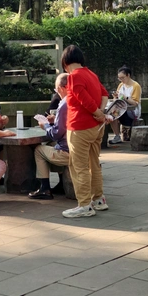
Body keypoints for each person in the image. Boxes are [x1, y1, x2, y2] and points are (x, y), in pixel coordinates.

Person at [61, 45, 109, 218]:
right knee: (94, 164)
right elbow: (105, 94)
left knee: (78, 166)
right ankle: (98, 199)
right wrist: (101, 112)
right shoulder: (92, 74)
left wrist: (98, 113)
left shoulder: (73, 76)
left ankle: (84, 205)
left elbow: (84, 100)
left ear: (65, 63)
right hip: (96, 127)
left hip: (79, 127)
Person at [29, 73, 70, 200]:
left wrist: (46, 125)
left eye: (56, 90)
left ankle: (44, 188)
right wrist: (55, 120)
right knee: (50, 145)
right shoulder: (76, 100)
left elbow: (56, 134)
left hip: (67, 152)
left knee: (39, 150)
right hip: (79, 148)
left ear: (61, 88)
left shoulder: (64, 104)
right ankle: (61, 183)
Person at [108, 66, 142, 145]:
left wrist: (125, 97)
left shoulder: (136, 86)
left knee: (113, 114)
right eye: (119, 78)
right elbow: (116, 98)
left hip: (132, 110)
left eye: (122, 78)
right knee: (111, 114)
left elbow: (135, 103)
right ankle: (117, 136)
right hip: (121, 108)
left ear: (128, 75)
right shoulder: (121, 85)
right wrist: (115, 96)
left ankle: (117, 136)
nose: (121, 80)